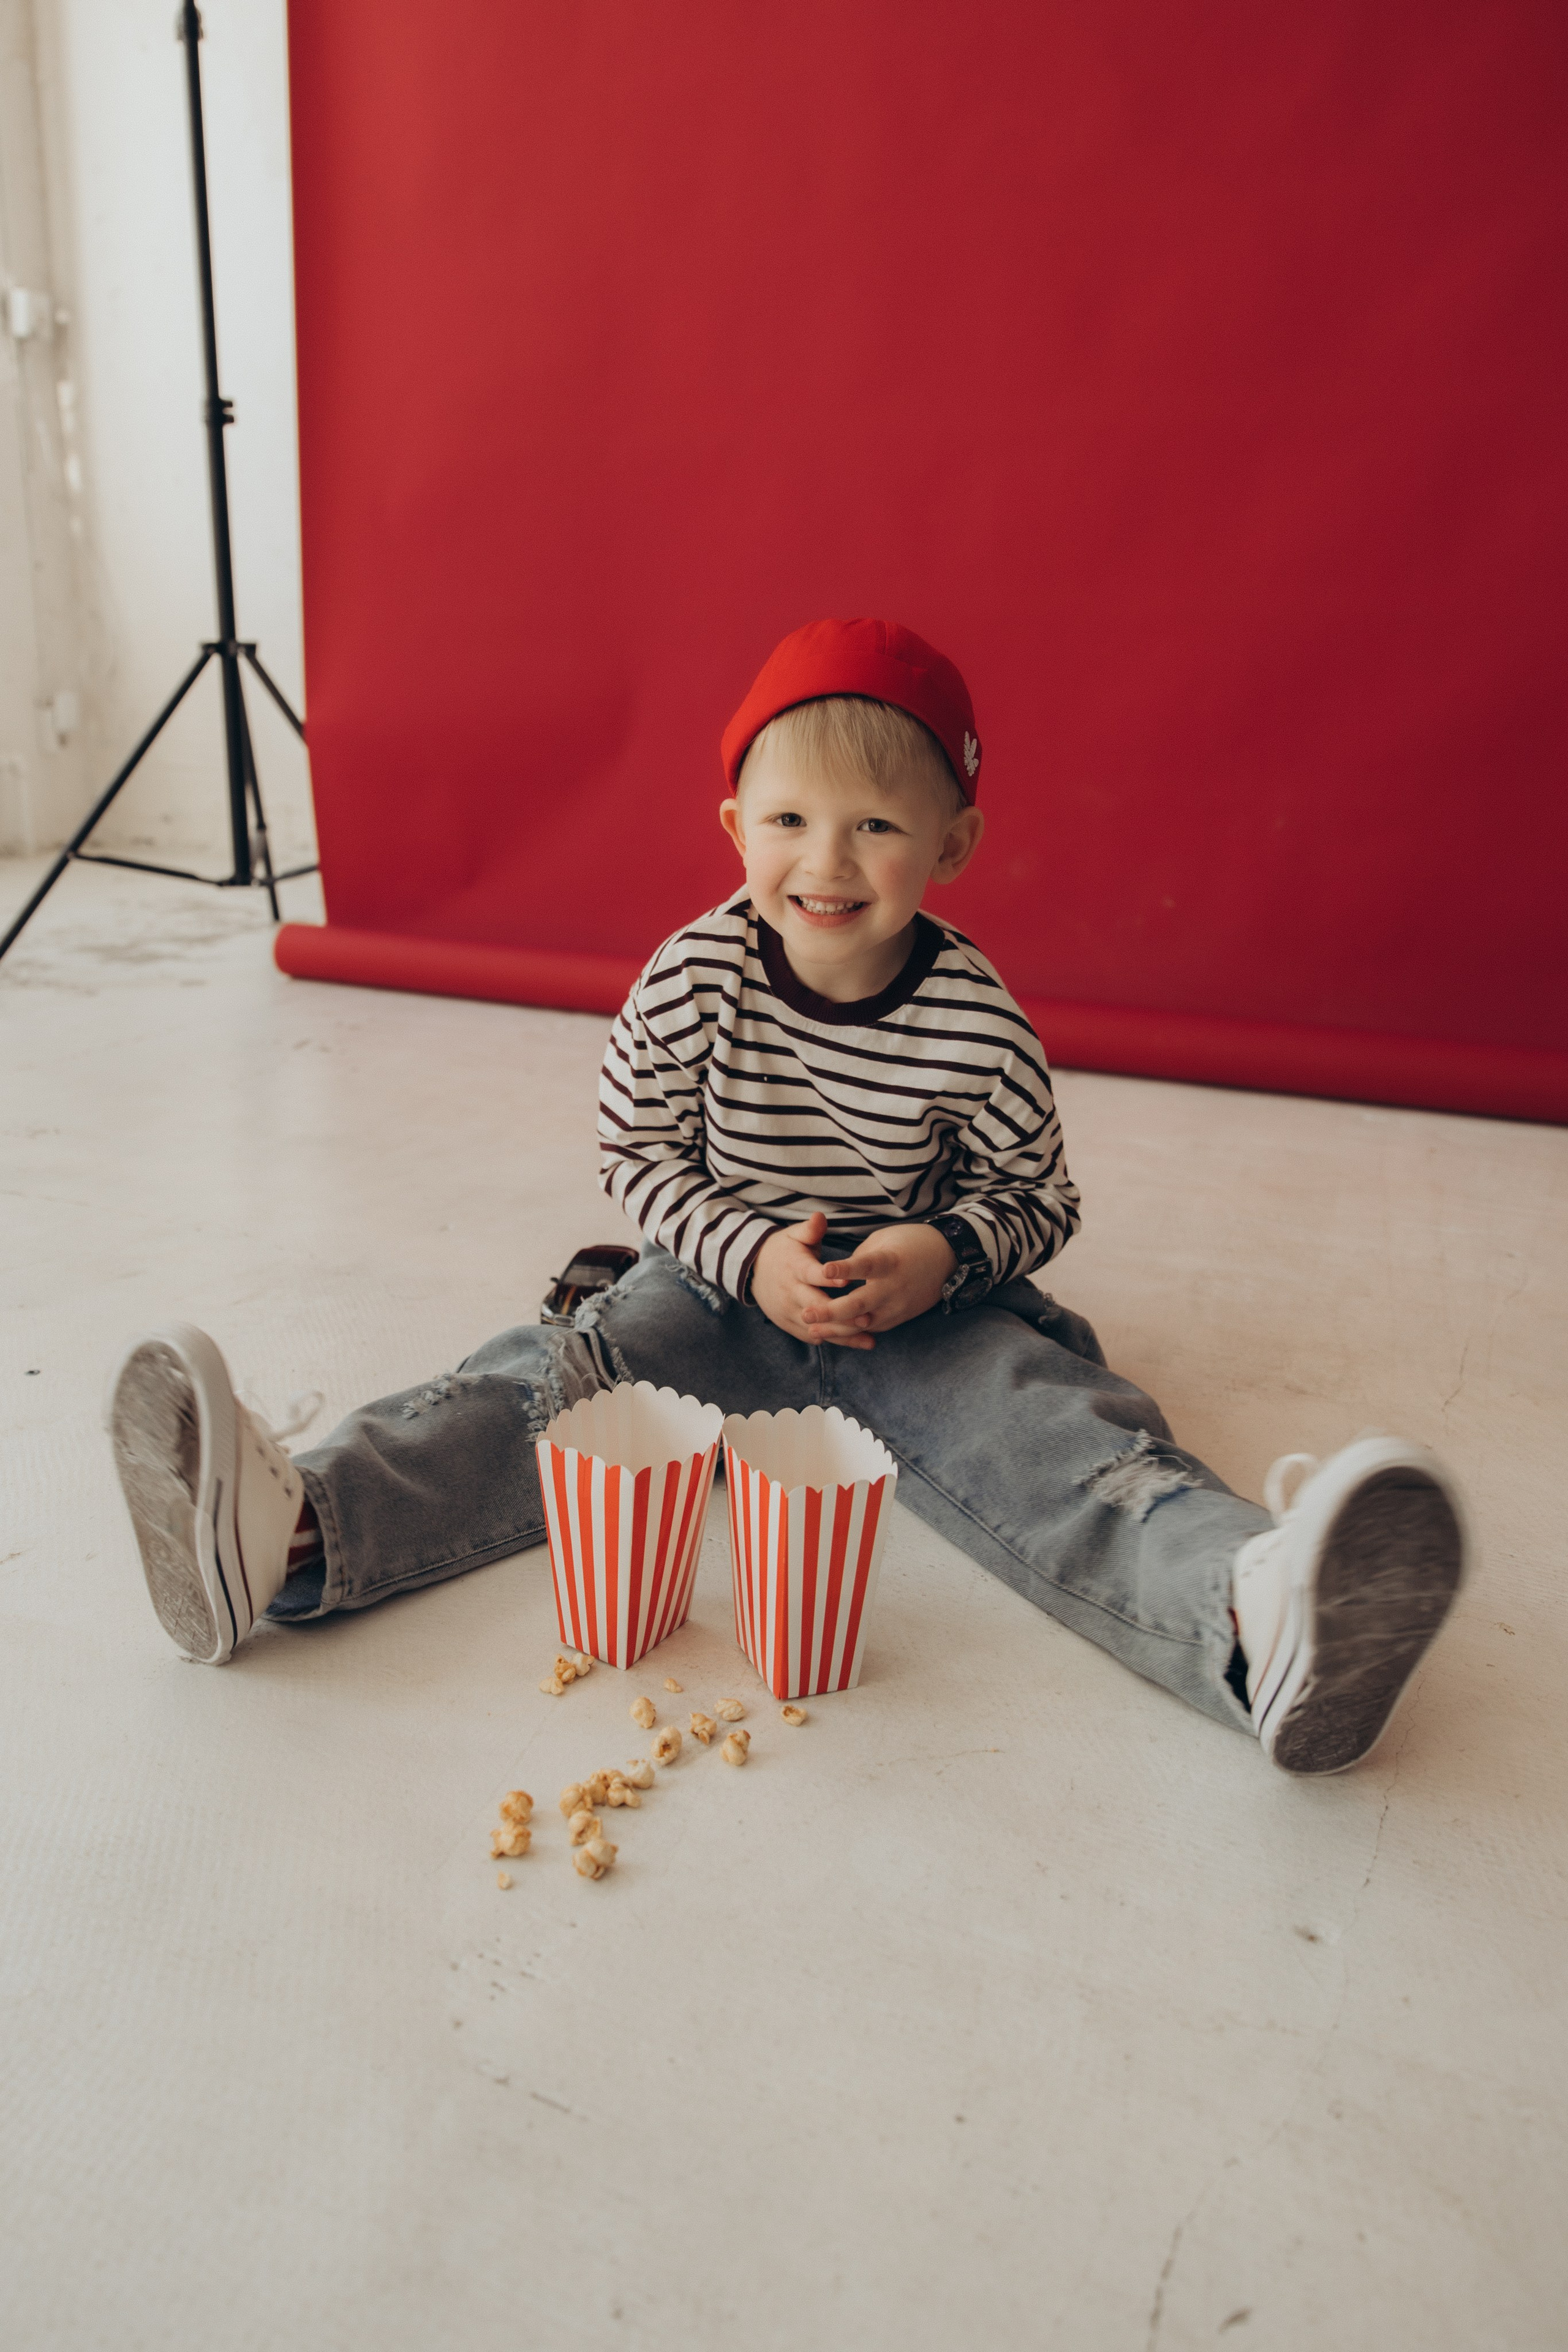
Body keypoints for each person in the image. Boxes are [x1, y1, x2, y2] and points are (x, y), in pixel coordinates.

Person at [105, 618, 1468, 1773]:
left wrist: (940, 1254)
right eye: (790, 822)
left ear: (953, 842)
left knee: (1053, 1436)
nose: (826, 861)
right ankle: (292, 1532)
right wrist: (748, 1254)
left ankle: (1249, 1615)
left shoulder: (977, 1019)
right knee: (545, 1388)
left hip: (917, 1317)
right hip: (710, 1294)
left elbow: (1036, 1196)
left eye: (876, 826)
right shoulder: (694, 977)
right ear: (734, 828)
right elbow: (636, 1154)